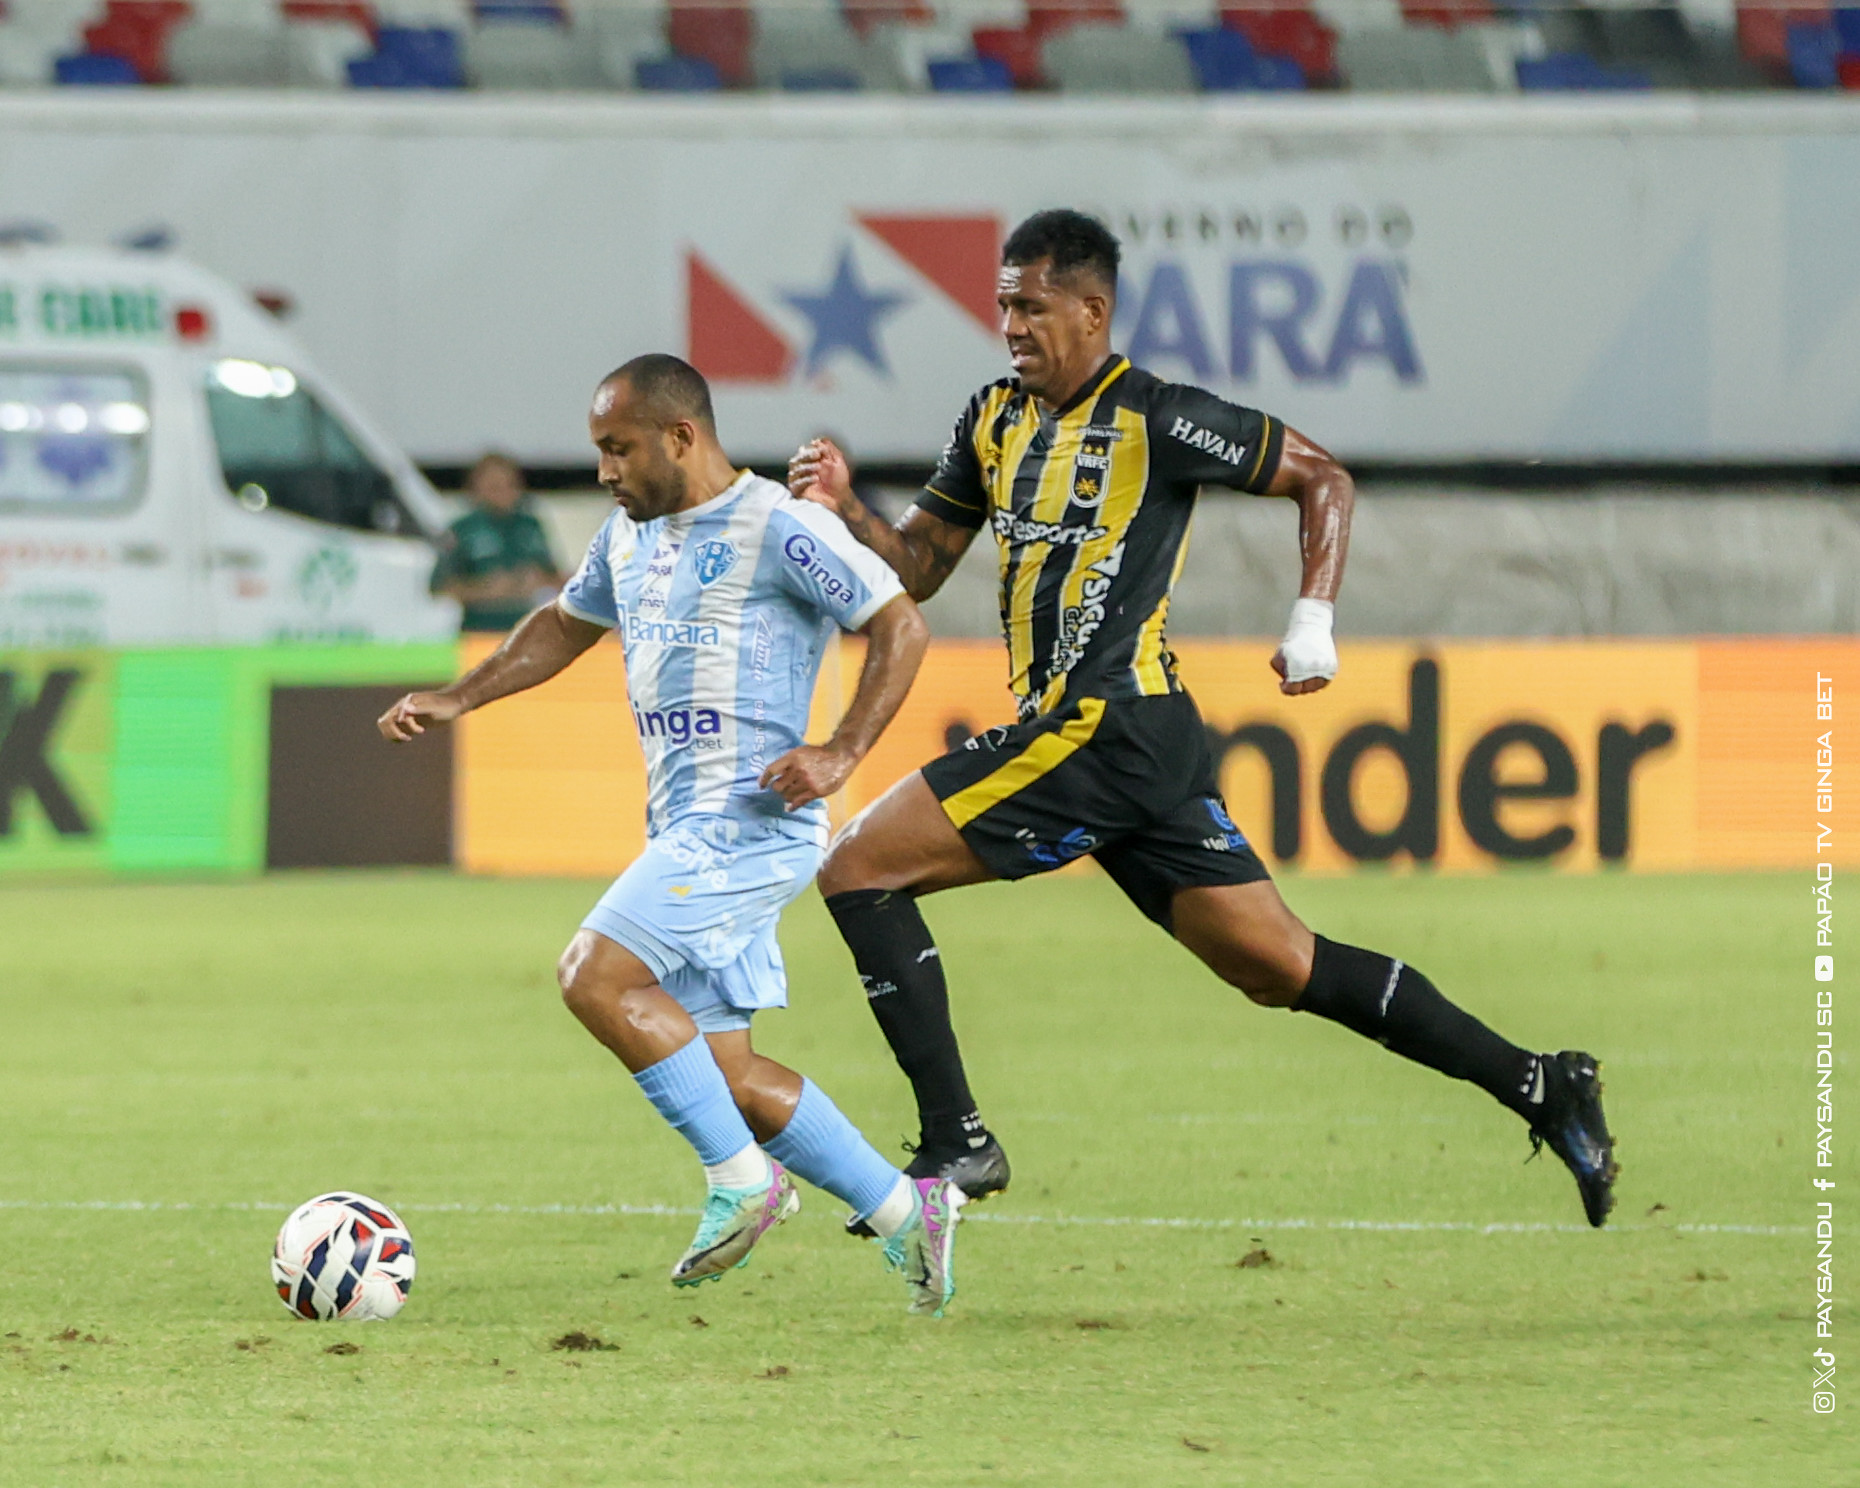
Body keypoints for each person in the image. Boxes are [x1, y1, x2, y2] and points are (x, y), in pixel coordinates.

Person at [787, 209, 1618, 1232]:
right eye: (1003, 305)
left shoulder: (1159, 416)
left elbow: (1322, 477)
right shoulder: (992, 420)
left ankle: (959, 1140)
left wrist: (1313, 616)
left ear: (1092, 310)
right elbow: (915, 567)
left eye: (1031, 306)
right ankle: (1541, 1081)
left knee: (857, 867)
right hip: (1131, 746)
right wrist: (845, 507)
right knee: (1281, 967)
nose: (1010, 324)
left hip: (1106, 724)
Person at [379, 355, 966, 1313]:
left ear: (681, 437)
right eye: (599, 451)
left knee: (593, 973)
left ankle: (742, 1182)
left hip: (749, 824)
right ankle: (907, 1212)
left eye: (618, 448)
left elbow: (900, 624)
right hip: (682, 829)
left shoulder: (780, 525)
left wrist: (840, 751)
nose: (605, 470)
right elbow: (562, 627)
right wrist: (460, 696)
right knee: (729, 1075)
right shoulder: (626, 537)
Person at [430, 452, 565, 633]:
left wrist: (537, 580)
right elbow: (440, 587)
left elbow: (557, 578)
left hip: (526, 630)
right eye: (494, 487)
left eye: (509, 485)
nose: (504, 493)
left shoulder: (530, 526)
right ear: (476, 489)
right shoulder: (462, 530)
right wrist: (484, 589)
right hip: (481, 629)